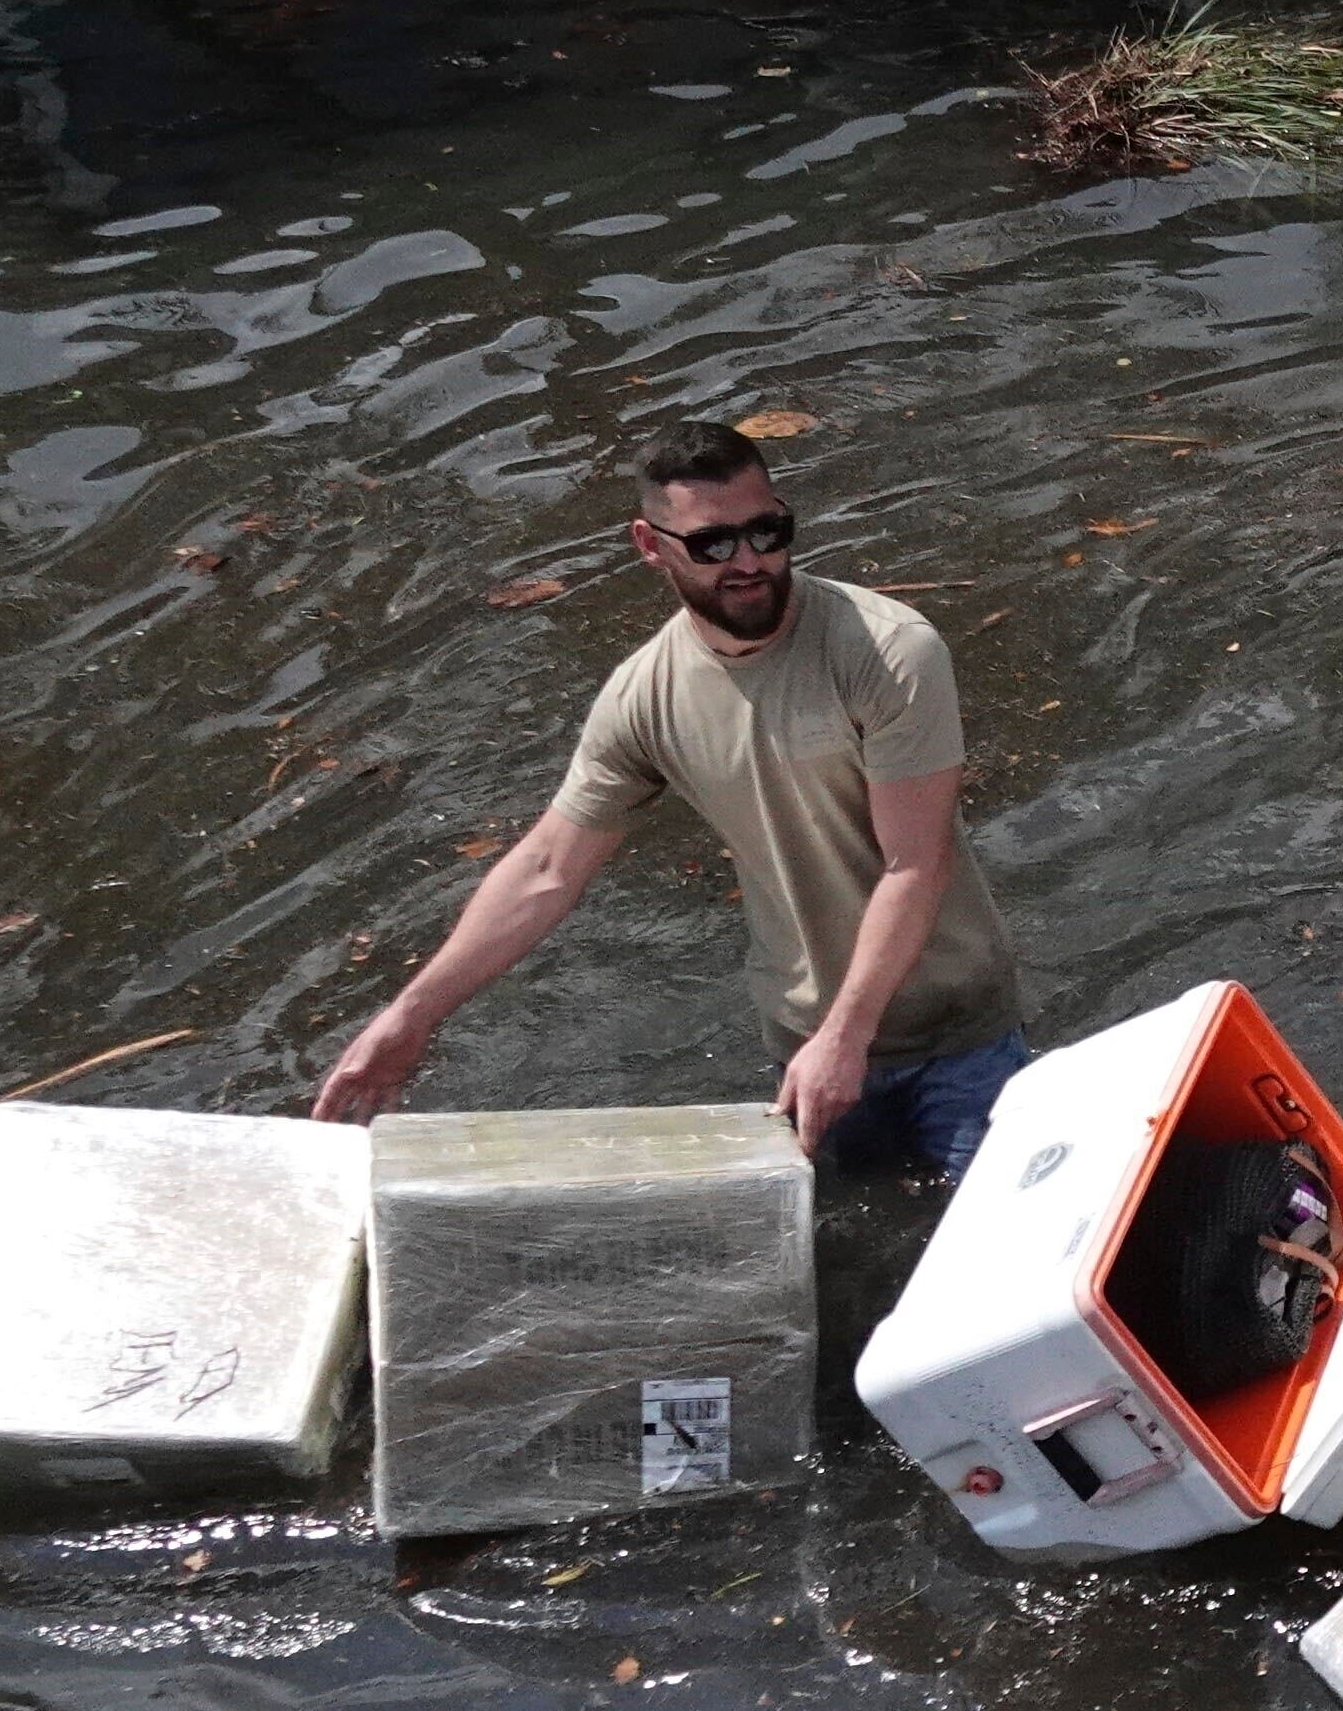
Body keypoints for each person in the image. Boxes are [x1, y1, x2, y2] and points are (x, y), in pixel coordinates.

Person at [313, 422, 1030, 1174]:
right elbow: (549, 867)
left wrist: (845, 1039)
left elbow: (912, 864)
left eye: (767, 531)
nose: (749, 561)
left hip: (958, 1036)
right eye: (713, 543)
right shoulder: (644, 696)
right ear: (651, 545)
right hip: (804, 1040)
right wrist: (409, 1018)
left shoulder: (888, 652)